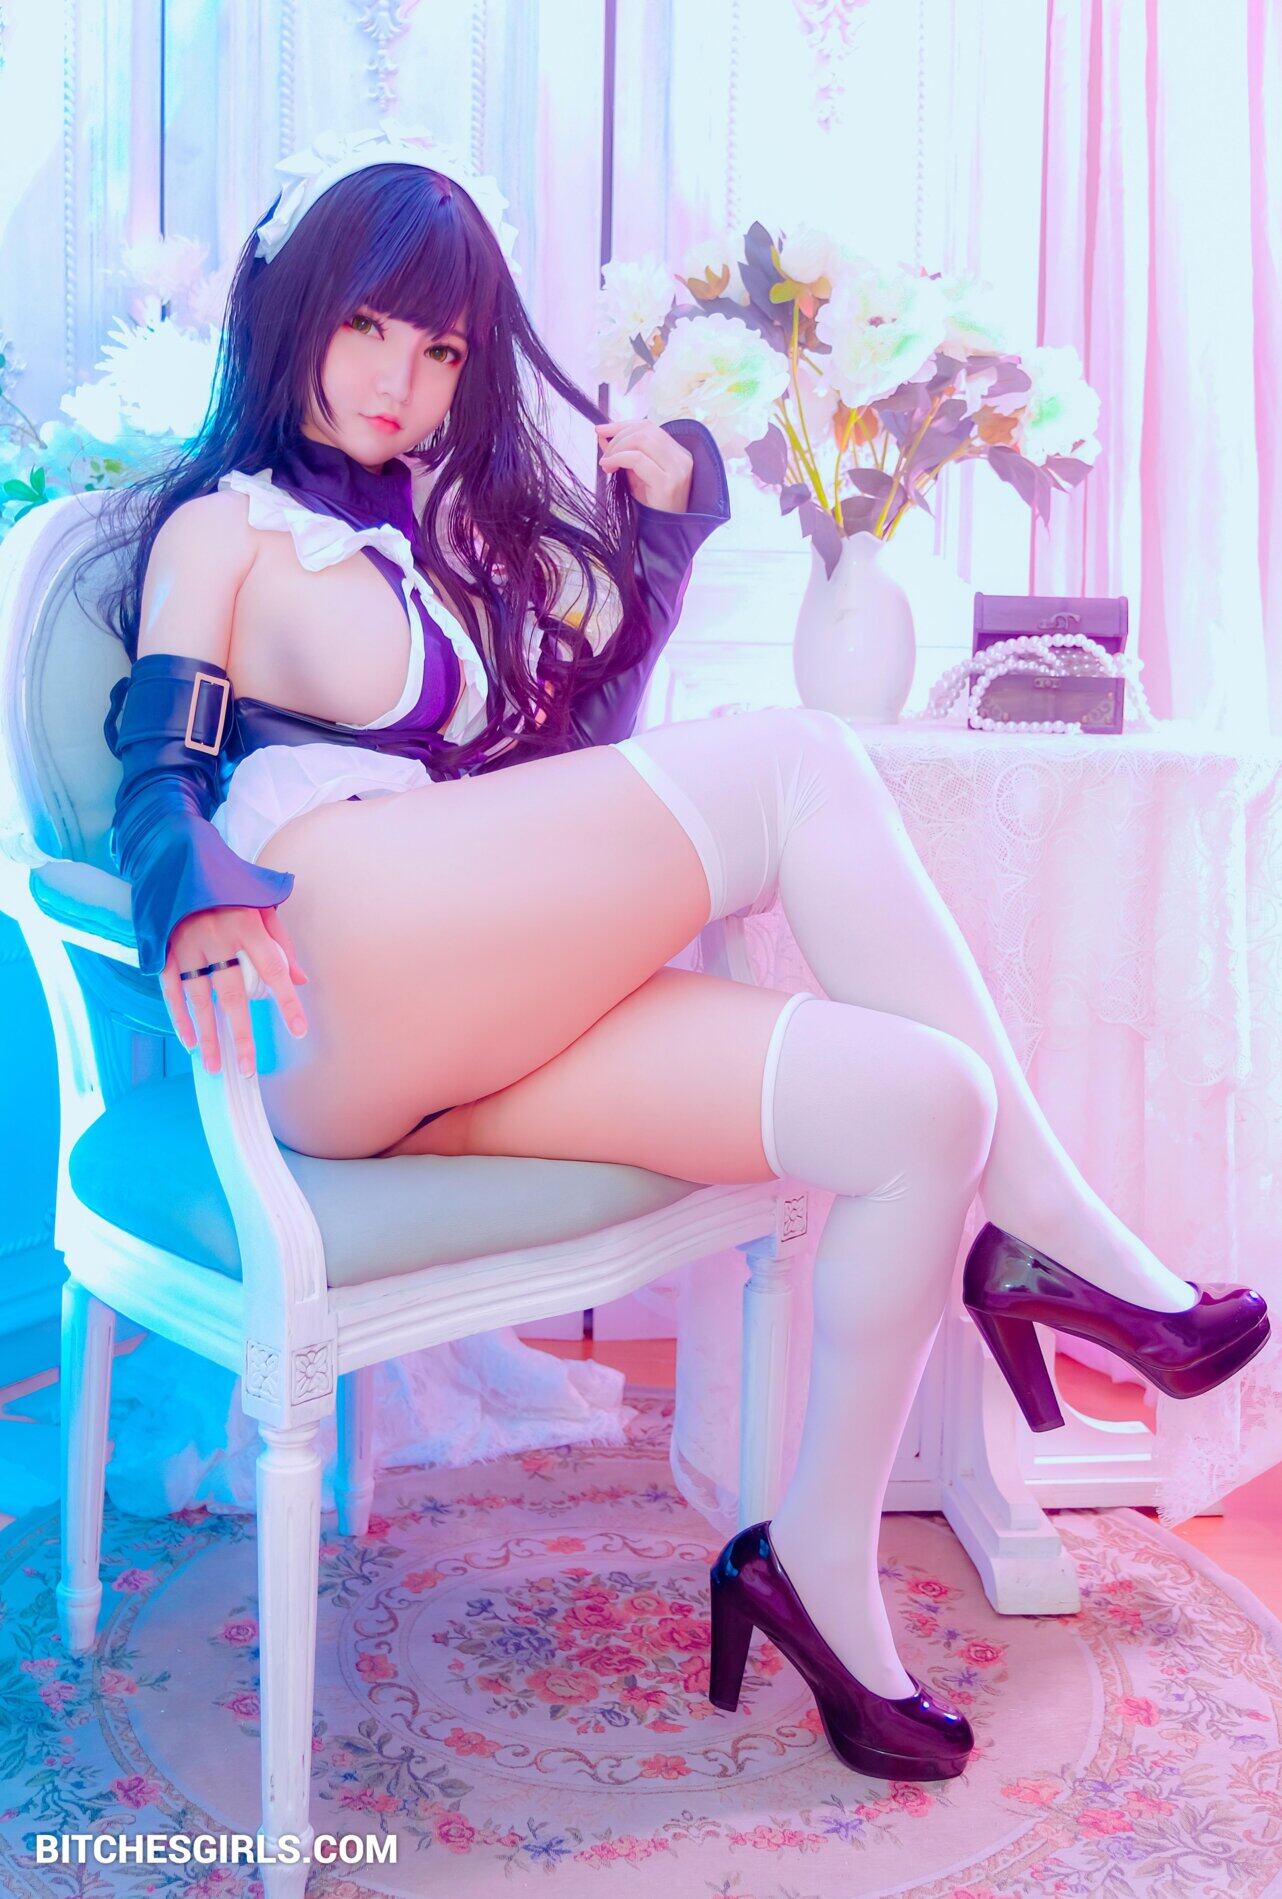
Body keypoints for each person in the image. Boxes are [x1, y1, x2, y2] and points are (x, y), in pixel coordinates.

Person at [87, 124, 1270, 1786]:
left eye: (441, 352)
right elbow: (156, 766)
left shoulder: (431, 541)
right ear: (292, 310)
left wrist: (658, 554)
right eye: (366, 326)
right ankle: (1066, 1240)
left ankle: (817, 1568)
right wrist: (197, 900)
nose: (399, 382)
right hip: (331, 986)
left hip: (464, 1014)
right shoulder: (225, 530)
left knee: (921, 1107)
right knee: (791, 761)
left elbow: (570, 794)